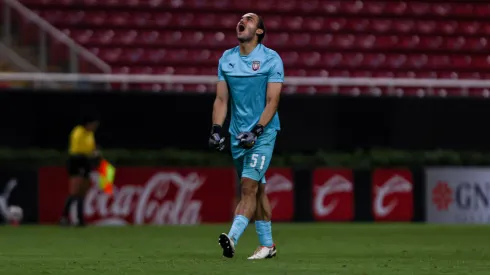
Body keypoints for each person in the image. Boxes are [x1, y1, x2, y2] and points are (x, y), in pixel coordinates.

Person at [209, 12, 284, 260]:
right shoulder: (226, 59)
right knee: (258, 190)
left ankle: (232, 237)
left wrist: (257, 130)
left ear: (259, 31)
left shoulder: (271, 59)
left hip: (263, 133)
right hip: (237, 135)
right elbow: (221, 99)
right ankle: (268, 246)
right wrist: (217, 129)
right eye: (241, 19)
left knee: (247, 187)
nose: (242, 21)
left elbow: (273, 102)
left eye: (250, 19)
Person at [60, 115, 100, 227]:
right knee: (74, 192)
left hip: (86, 162)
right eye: (94, 124)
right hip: (77, 161)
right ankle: (64, 217)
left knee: (82, 193)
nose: (95, 127)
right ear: (88, 124)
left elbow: (91, 148)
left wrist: (95, 152)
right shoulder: (78, 132)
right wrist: (91, 153)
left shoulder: (90, 134)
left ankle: (80, 219)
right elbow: (77, 149)